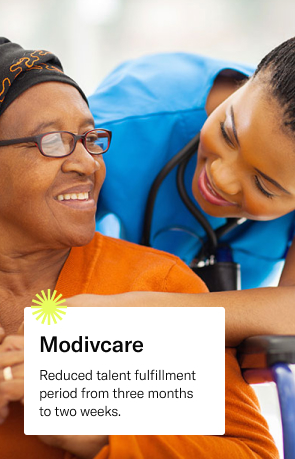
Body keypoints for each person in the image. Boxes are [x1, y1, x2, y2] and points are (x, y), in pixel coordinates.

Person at [0, 38, 277, 459]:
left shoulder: (157, 283)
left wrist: (100, 431)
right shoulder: (144, 116)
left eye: (91, 139)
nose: (89, 162)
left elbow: (251, 452)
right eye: (53, 141)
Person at [88, 38, 295, 346]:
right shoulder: (126, 118)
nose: (221, 179)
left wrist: (129, 314)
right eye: (227, 132)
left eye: (264, 185)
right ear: (245, 83)